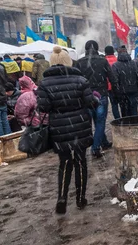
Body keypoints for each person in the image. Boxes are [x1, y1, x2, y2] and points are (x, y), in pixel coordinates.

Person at [37, 46, 97, 214]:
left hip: (59, 128)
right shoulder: (80, 80)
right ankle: (80, 198)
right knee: (80, 161)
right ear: (68, 61)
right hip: (79, 126)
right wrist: (95, 99)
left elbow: (43, 107)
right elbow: (91, 102)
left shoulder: (44, 83)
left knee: (64, 162)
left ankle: (62, 197)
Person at [77, 40, 118, 158]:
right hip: (101, 95)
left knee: (93, 121)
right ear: (97, 48)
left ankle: (103, 142)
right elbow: (112, 78)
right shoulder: (102, 61)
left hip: (86, 96)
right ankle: (95, 147)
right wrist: (115, 91)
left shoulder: (80, 63)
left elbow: (77, 79)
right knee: (100, 122)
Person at [112, 47, 138, 117]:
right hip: (134, 91)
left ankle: (126, 125)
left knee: (125, 112)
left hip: (122, 93)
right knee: (134, 111)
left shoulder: (115, 65)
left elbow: (115, 81)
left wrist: (116, 93)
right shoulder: (134, 63)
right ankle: (134, 124)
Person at [104, 46, 121, 119]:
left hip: (109, 87)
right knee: (122, 103)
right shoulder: (117, 60)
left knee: (114, 104)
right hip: (119, 85)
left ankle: (117, 119)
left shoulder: (103, 61)